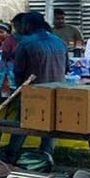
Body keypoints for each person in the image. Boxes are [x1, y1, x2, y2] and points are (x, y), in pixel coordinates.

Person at [5, 12, 67, 162]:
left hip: (34, 92)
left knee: (23, 124)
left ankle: (11, 155)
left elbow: (18, 71)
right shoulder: (59, 41)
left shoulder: (26, 43)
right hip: (58, 91)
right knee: (52, 126)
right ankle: (46, 157)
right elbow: (66, 68)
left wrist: (20, 87)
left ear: (27, 25)